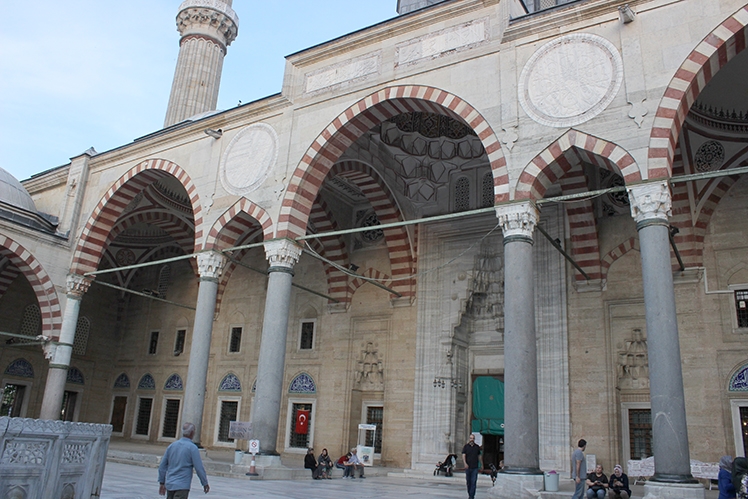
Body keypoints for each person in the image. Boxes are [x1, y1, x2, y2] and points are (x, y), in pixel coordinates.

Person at [158, 422, 209, 498]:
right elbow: (199, 468)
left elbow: (162, 466)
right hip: (182, 485)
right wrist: (204, 483)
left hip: (170, 484)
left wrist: (162, 482)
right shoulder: (192, 448)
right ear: (192, 432)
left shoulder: (172, 446)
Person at [462, 433, 481, 499]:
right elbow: (463, 455)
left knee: (473, 482)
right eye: (471, 438)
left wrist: (481, 464)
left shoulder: (477, 447)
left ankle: (471, 496)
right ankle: (470, 494)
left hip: (475, 467)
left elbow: (479, 456)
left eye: (473, 438)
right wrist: (465, 463)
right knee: (468, 482)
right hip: (468, 467)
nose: (472, 439)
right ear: (469, 439)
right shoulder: (466, 447)